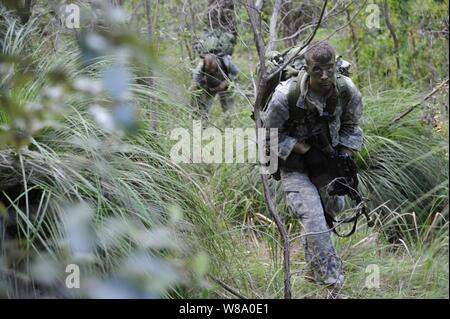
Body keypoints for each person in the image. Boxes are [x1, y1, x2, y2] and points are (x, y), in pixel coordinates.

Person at [263, 41, 364, 288]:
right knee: (315, 221)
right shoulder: (285, 96)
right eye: (318, 69)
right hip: (294, 165)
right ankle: (333, 284)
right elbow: (267, 136)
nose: (324, 75)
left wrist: (344, 155)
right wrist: (304, 149)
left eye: (329, 68)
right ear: (307, 67)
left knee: (334, 209)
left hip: (327, 165)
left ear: (335, 65)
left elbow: (353, 126)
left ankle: (312, 268)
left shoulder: (346, 90)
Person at [191, 53, 239, 127]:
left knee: (228, 109)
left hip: (225, 87)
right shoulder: (201, 66)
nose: (212, 71)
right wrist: (199, 92)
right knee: (204, 109)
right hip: (209, 88)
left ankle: (230, 126)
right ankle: (203, 126)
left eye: (214, 68)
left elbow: (236, 72)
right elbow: (195, 82)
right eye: (209, 70)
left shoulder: (225, 62)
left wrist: (226, 82)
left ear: (217, 62)